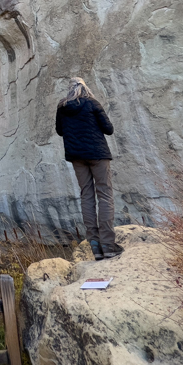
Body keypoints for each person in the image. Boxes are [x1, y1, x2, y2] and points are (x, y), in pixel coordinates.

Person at [55, 77, 122, 260]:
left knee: (87, 195)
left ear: (69, 90)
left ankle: (94, 244)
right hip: (98, 155)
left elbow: (60, 131)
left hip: (77, 157)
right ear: (85, 88)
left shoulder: (62, 107)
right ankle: (108, 243)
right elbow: (108, 129)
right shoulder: (92, 103)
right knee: (105, 195)